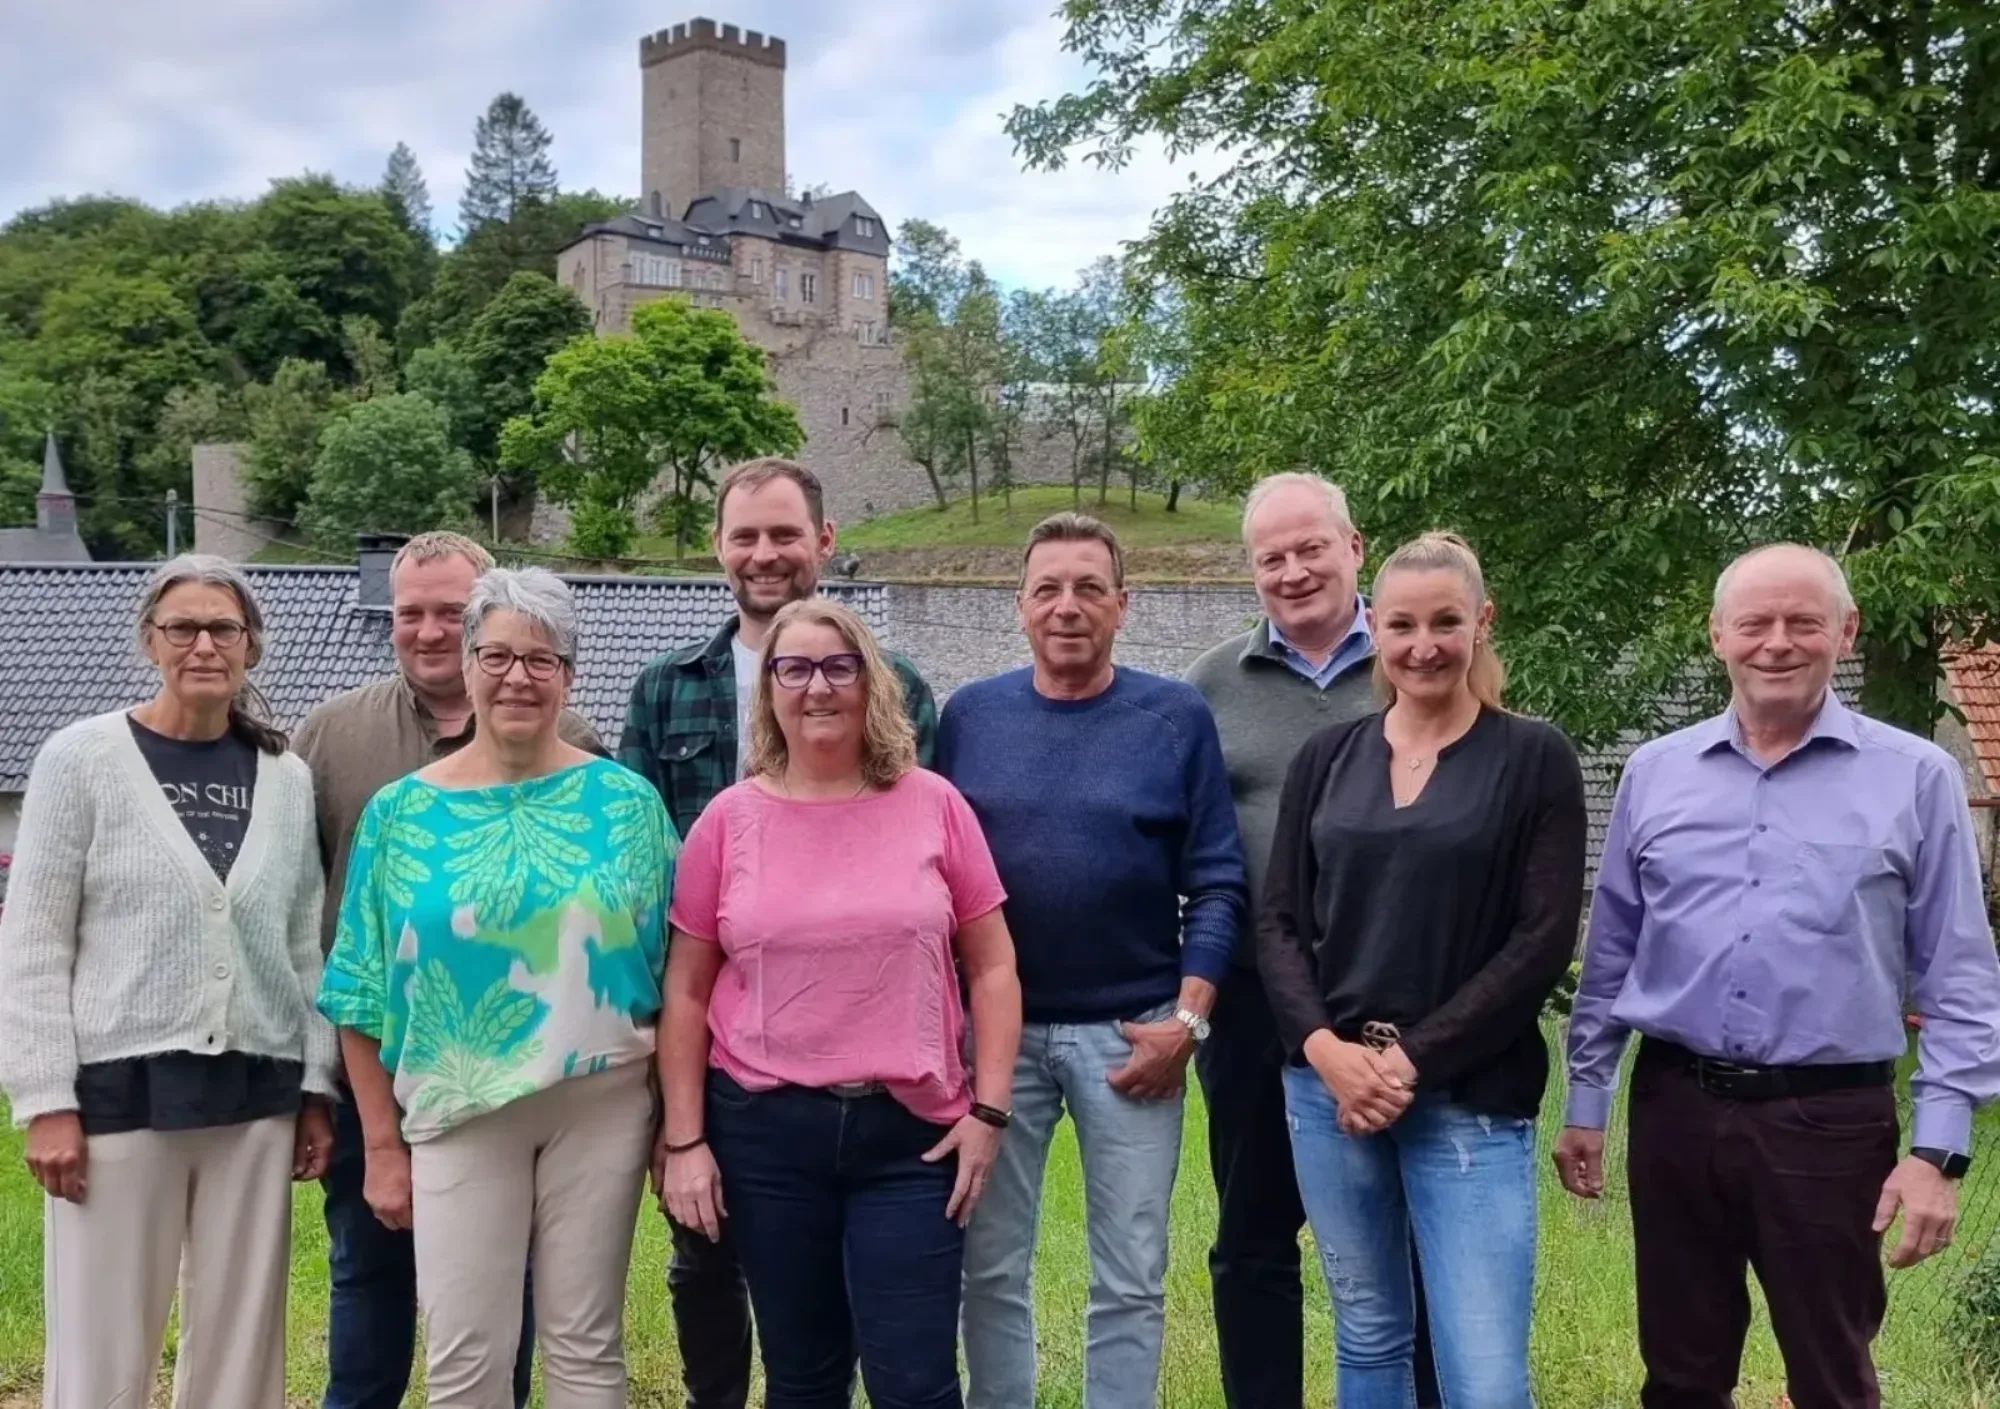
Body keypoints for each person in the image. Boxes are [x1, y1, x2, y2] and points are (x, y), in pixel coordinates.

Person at [1556, 543, 2000, 1409]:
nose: (1778, 642)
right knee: (1681, 1374)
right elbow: (1610, 952)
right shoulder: (1656, 773)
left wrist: (1938, 1151)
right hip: (1675, 1108)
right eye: (1755, 622)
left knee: (1832, 1377)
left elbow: (1959, 974)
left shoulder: (1917, 776)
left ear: (1846, 630)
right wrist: (1585, 1103)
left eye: (1804, 621)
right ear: (1719, 633)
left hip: (1829, 1121)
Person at [620, 456, 938, 1409]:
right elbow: (643, 874)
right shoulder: (663, 686)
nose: (766, 554)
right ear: (718, 548)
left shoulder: (901, 687)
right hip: (715, 1042)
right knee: (704, 1253)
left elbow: (933, 858)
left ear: (825, 542)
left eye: (785, 534)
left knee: (860, 1294)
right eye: (746, 535)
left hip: (863, 1051)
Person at [318, 567, 673, 1408]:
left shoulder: (627, 804)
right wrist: (380, 1145)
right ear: (469, 665)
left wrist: (676, 1117)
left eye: (541, 659)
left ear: (569, 675)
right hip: (455, 1105)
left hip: (604, 1101)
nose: (518, 676)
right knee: (466, 1354)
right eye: (499, 655)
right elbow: (359, 987)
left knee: (587, 1344)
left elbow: (676, 970)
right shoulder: (398, 813)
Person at [659, 598, 1021, 1409]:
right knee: (804, 1377)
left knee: (917, 1383)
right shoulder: (727, 821)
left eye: (838, 665)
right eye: (794, 667)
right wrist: (685, 1139)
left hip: (911, 1141)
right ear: (770, 690)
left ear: (871, 682)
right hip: (766, 1137)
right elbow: (684, 991)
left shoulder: (933, 804)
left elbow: (993, 966)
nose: (817, 686)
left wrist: (990, 1111)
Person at [0, 554, 337, 1408]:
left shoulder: (285, 777)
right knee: (102, 1340)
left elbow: (304, 942)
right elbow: (34, 938)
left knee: (241, 1341)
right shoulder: (80, 759)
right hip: (117, 1094)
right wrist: (46, 1098)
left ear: (251, 646)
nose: (203, 645)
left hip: (255, 1096)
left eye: (223, 628)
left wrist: (315, 1087)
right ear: (150, 640)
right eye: (182, 626)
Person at [1259, 531, 1586, 1408]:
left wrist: (1412, 1059)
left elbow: (1543, 937)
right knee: (1367, 1340)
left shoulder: (1533, 757)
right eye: (1401, 623)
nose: (1424, 644)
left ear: (1482, 621)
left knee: (1481, 1370)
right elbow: (1280, 920)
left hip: (1467, 1097)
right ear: (1375, 625)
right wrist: (1326, 1051)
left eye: (1447, 620)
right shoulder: (1328, 759)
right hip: (1329, 1094)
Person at [944, 512, 1249, 1409]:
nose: (1067, 606)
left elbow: (1220, 882)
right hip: (998, 1040)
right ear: (1019, 606)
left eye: (1088, 588)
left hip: (1134, 1037)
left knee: (1132, 1272)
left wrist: (1186, 1022)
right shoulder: (970, 717)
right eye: (1048, 588)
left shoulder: (1175, 716)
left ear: (1123, 603)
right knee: (988, 1266)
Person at [1187, 472, 1441, 1409]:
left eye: (1311, 548)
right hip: (1259, 1001)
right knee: (1253, 1233)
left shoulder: (1418, 658)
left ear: (1355, 546)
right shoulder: (1213, 683)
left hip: (1401, 1005)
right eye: (1271, 558)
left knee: (1412, 1237)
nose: (1293, 572)